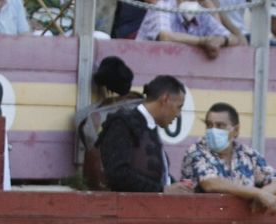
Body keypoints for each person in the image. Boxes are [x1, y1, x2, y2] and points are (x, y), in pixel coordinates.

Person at [181, 102, 276, 212]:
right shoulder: (197, 151)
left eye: (220, 126)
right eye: (209, 125)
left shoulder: (248, 154)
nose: (213, 130)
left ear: (236, 130)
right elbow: (210, 183)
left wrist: (265, 193)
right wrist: (258, 193)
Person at [96, 74, 194, 195]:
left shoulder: (148, 126)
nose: (178, 114)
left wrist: (175, 187)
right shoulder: (122, 123)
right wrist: (162, 190)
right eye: (179, 107)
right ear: (165, 99)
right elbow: (117, 173)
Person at [76, 57, 143, 189]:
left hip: (110, 182)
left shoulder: (89, 118)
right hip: (145, 179)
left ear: (105, 89)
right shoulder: (145, 107)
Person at [141, 0, 232, 55]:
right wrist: (202, 41)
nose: (190, 2)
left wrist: (221, 40)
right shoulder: (163, 6)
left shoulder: (201, 12)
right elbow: (165, 36)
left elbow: (233, 38)